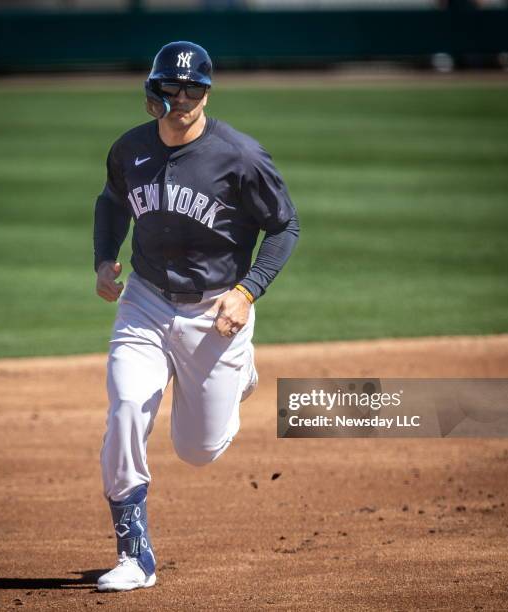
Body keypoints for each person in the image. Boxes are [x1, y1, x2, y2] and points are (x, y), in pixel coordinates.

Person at [93, 41, 299, 592]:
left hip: (215, 312)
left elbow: (284, 228)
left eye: (194, 89)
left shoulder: (241, 156)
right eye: (172, 87)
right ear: (154, 91)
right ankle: (135, 555)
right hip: (146, 301)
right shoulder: (130, 149)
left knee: (197, 450)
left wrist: (248, 291)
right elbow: (112, 201)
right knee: (127, 408)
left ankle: (240, 376)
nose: (182, 98)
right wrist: (103, 258)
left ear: (208, 92)